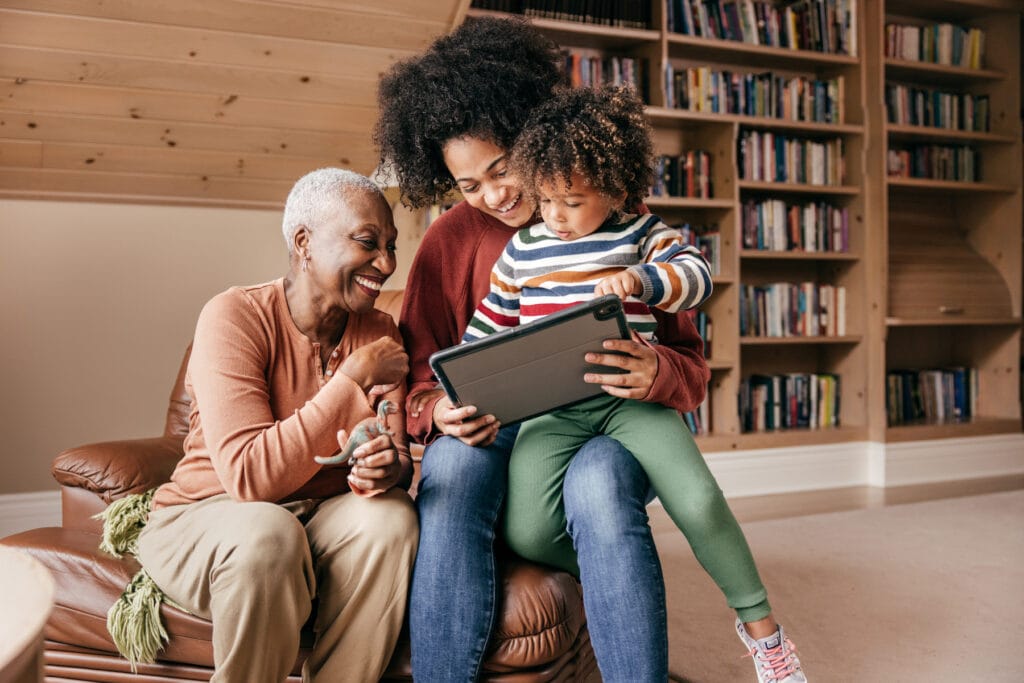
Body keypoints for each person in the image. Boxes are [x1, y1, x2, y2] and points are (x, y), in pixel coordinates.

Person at [374, 17, 709, 682]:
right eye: (468, 185)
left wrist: (656, 371)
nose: (493, 195)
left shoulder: (612, 213)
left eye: (501, 168)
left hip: (606, 423)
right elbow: (418, 375)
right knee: (454, 470)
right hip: (497, 429)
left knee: (601, 480)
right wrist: (437, 412)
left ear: (531, 132)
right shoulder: (449, 240)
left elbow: (690, 367)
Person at [464, 85, 806, 683]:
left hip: (632, 404)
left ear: (616, 189)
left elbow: (697, 275)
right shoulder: (521, 251)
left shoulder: (642, 232)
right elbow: (487, 329)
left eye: (571, 201)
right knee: (526, 527)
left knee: (698, 501)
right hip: (555, 410)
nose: (554, 216)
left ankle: (764, 634)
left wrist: (642, 281)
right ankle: (620, 573)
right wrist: (461, 386)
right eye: (544, 200)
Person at [132, 168, 419, 682]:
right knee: (269, 531)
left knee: (391, 517)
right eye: (367, 242)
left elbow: (396, 458)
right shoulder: (233, 316)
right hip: (208, 516)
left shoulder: (378, 330)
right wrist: (350, 381)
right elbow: (249, 478)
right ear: (304, 242)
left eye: (391, 246)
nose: (387, 263)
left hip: (318, 517)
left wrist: (385, 470)